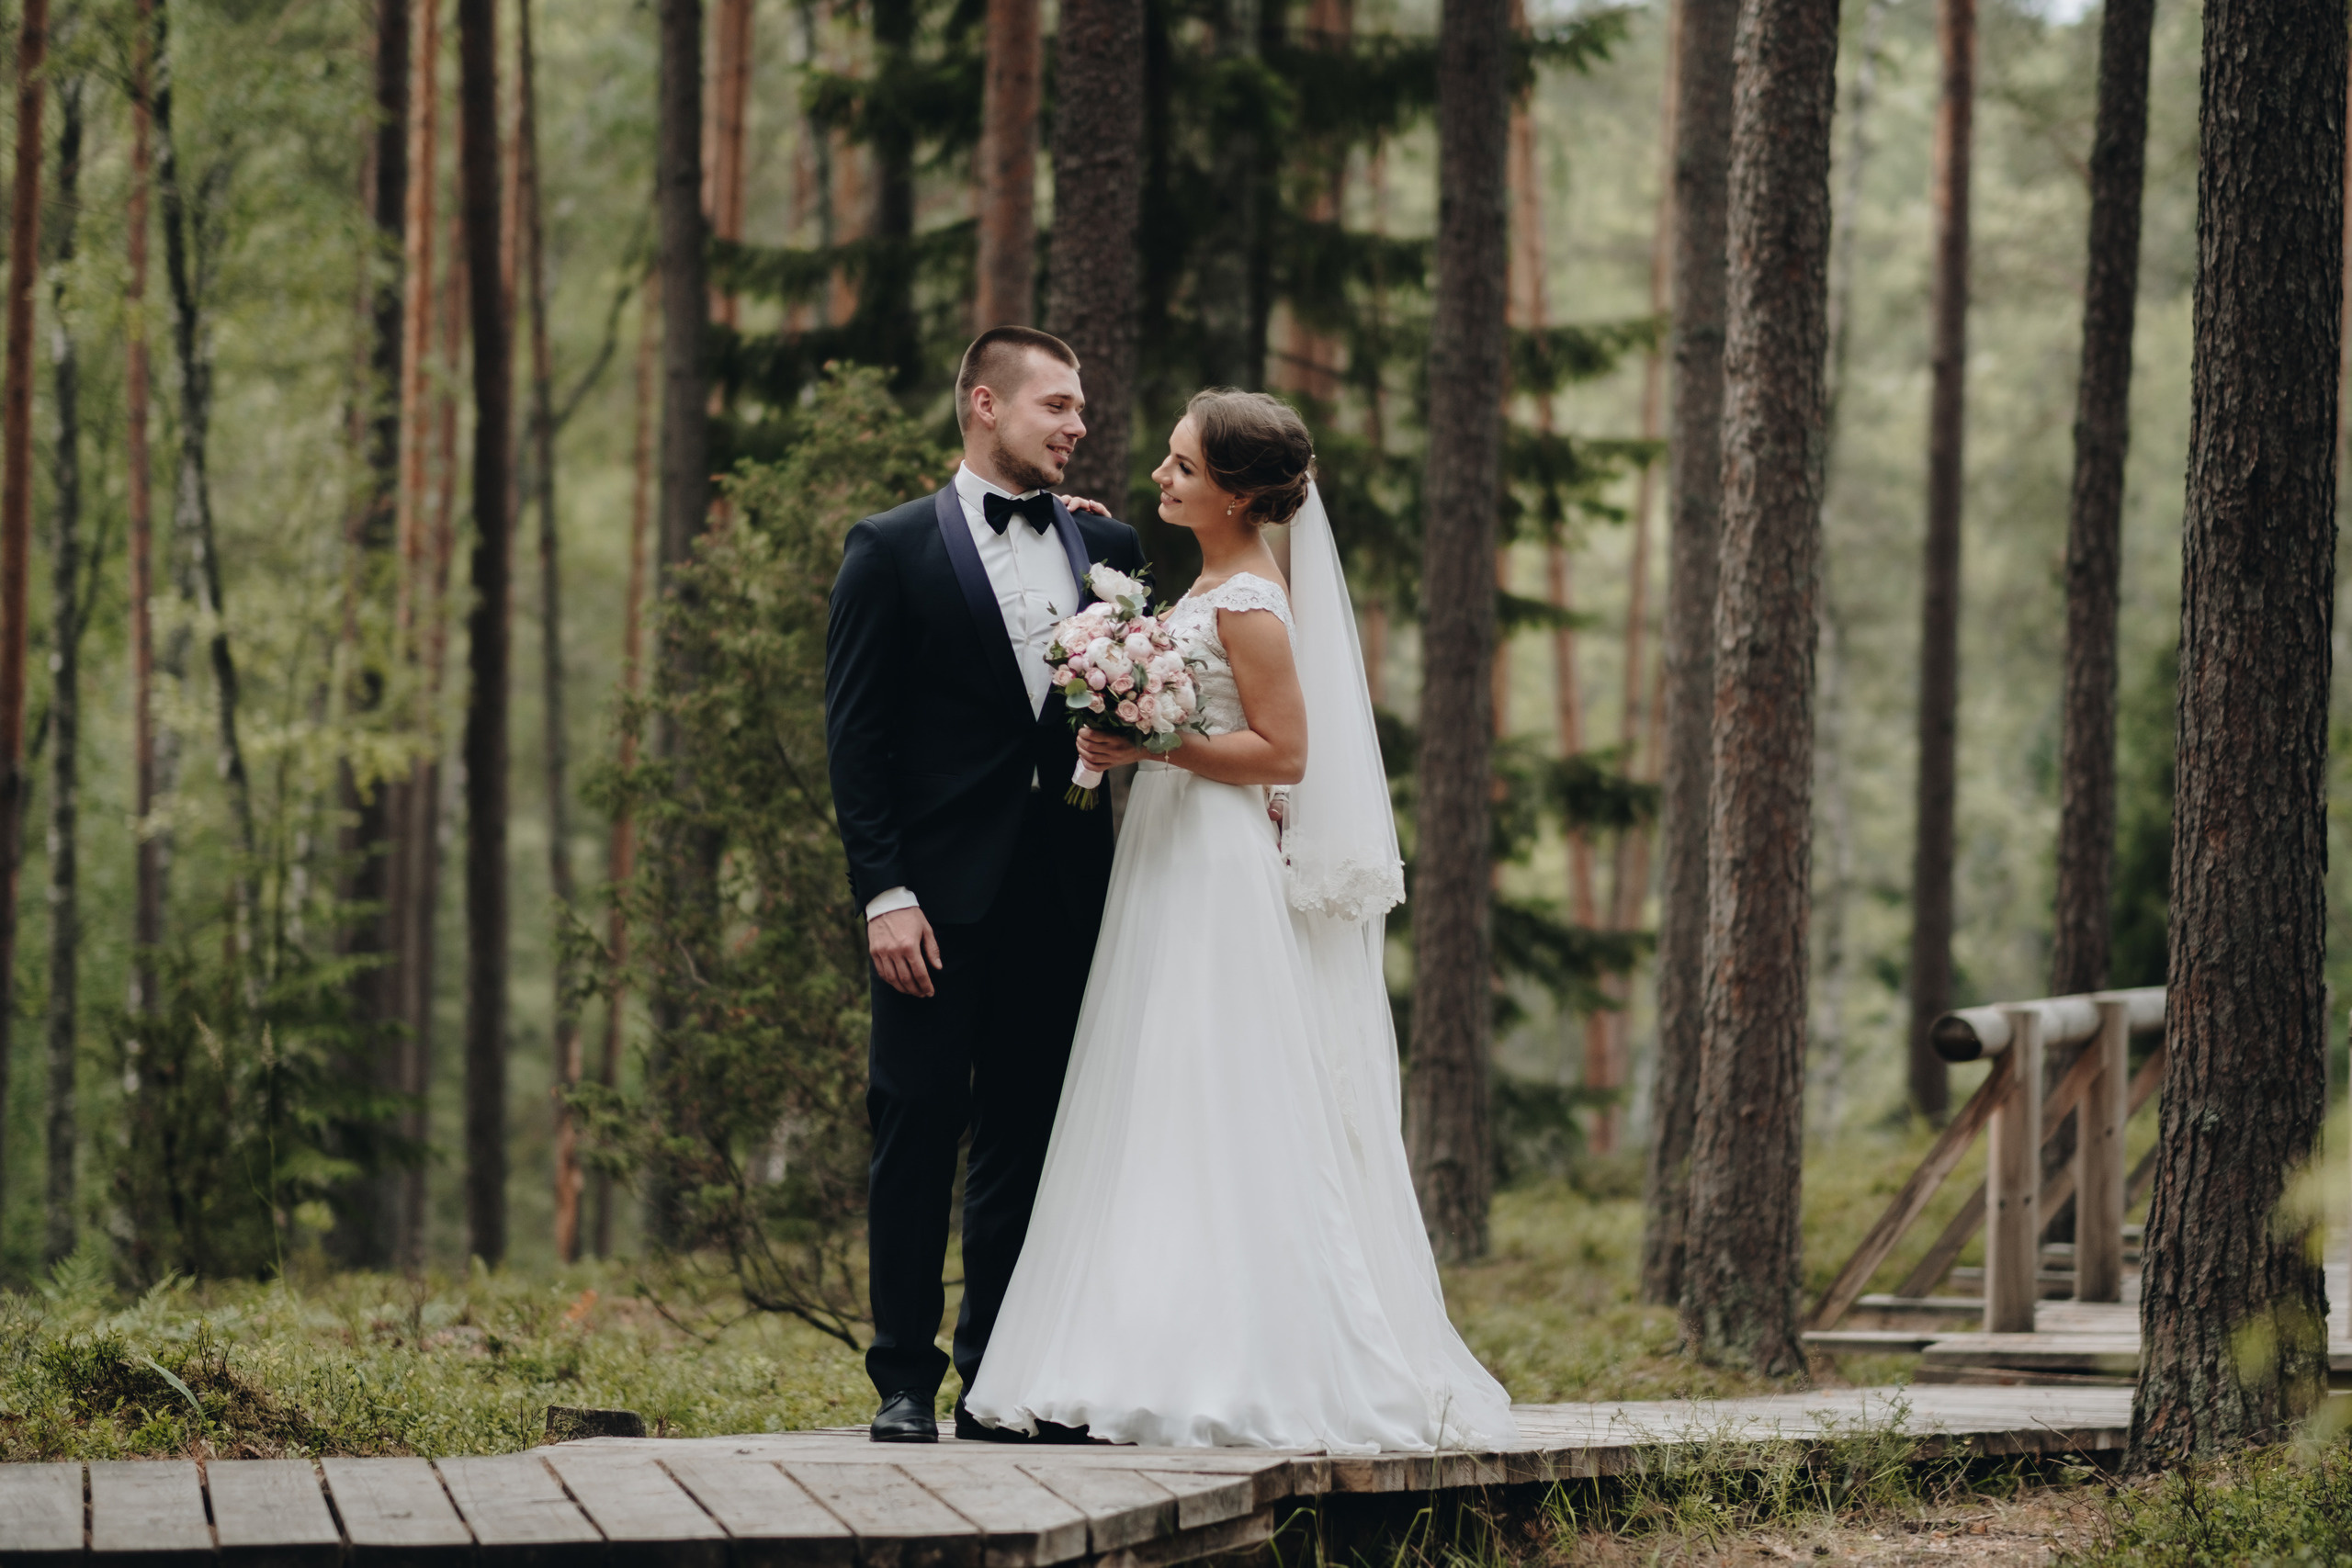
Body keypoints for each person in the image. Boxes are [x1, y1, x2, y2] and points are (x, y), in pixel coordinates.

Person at [963, 391, 1519, 1452]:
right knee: (1155, 1086)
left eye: (1180, 468)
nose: (1161, 479)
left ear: (1233, 492)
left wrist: (1152, 743)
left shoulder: (1254, 602)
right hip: (1170, 850)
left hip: (1215, 864)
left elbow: (1285, 754)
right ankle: (1136, 1342)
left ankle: (1236, 1356)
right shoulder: (1210, 580)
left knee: (1210, 1084)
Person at [823, 326, 1148, 1444]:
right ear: (983, 405)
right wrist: (884, 894)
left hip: (1060, 894)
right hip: (931, 906)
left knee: (1028, 1134)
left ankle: (999, 1380)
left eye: (1081, 410)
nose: (1076, 426)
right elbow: (856, 744)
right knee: (914, 1126)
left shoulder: (1112, 549)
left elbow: (1133, 707)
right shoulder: (888, 548)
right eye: (1056, 405)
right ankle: (903, 1381)